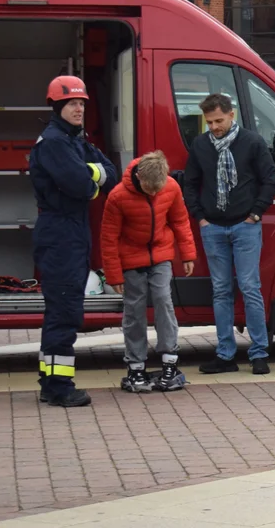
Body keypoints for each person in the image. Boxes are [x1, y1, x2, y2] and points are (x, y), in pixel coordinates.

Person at [30, 75, 117, 407]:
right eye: (72, 103)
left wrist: (89, 174)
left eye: (81, 103)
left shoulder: (75, 141)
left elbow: (109, 172)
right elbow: (82, 185)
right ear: (57, 106)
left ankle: (53, 380)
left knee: (66, 310)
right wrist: (91, 176)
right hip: (60, 234)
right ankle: (58, 386)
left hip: (72, 232)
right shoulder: (54, 143)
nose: (79, 108)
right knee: (63, 311)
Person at [184, 92, 275, 376]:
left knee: (250, 288)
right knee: (221, 291)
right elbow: (190, 183)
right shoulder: (200, 145)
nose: (214, 127)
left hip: (244, 225)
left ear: (232, 115)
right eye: (209, 122)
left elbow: (270, 180)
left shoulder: (252, 142)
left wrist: (256, 213)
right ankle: (225, 355)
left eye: (219, 120)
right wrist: (200, 217)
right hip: (213, 227)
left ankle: (259, 353)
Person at [101, 151, 197, 393]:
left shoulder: (171, 187)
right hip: (131, 258)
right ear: (139, 177)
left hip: (161, 255)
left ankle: (169, 362)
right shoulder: (117, 196)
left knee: (164, 301)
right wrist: (114, 275)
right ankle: (136, 366)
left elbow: (180, 220)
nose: (153, 194)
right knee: (134, 310)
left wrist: (188, 254)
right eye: (148, 189)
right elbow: (109, 238)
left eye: (157, 189)